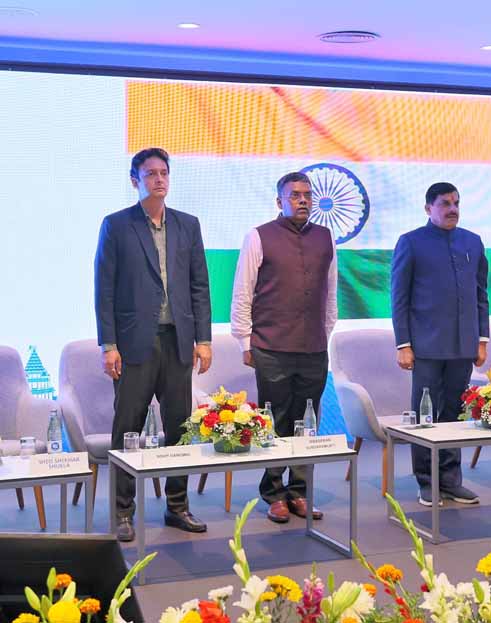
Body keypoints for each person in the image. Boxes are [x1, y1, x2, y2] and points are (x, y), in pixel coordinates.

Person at [95, 147, 213, 542]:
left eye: (164, 172)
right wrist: (108, 344)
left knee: (180, 427)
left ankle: (177, 506)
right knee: (127, 428)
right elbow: (104, 289)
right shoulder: (117, 225)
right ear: (135, 180)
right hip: (133, 344)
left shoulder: (188, 225)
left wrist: (204, 339)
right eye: (150, 173)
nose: (159, 179)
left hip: (178, 341)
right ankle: (122, 512)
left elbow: (199, 285)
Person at [231, 171, 337, 523]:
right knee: (275, 420)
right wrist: (244, 339)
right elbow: (243, 291)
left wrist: (324, 333)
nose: (302, 200)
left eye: (307, 194)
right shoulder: (258, 236)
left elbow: (330, 292)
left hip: (314, 346)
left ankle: (300, 491)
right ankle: (274, 494)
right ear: (280, 201)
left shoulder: (325, 237)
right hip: (271, 345)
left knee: (307, 420)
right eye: (294, 195)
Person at [391, 182, 489, 507]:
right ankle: (426, 481)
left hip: (463, 345)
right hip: (426, 347)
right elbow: (399, 298)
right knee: (426, 414)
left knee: (455, 413)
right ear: (428, 208)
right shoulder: (411, 242)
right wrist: (403, 344)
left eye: (456, 203)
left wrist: (481, 339)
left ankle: (450, 481)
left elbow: (481, 295)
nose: (452, 209)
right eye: (445, 203)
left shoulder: (472, 242)